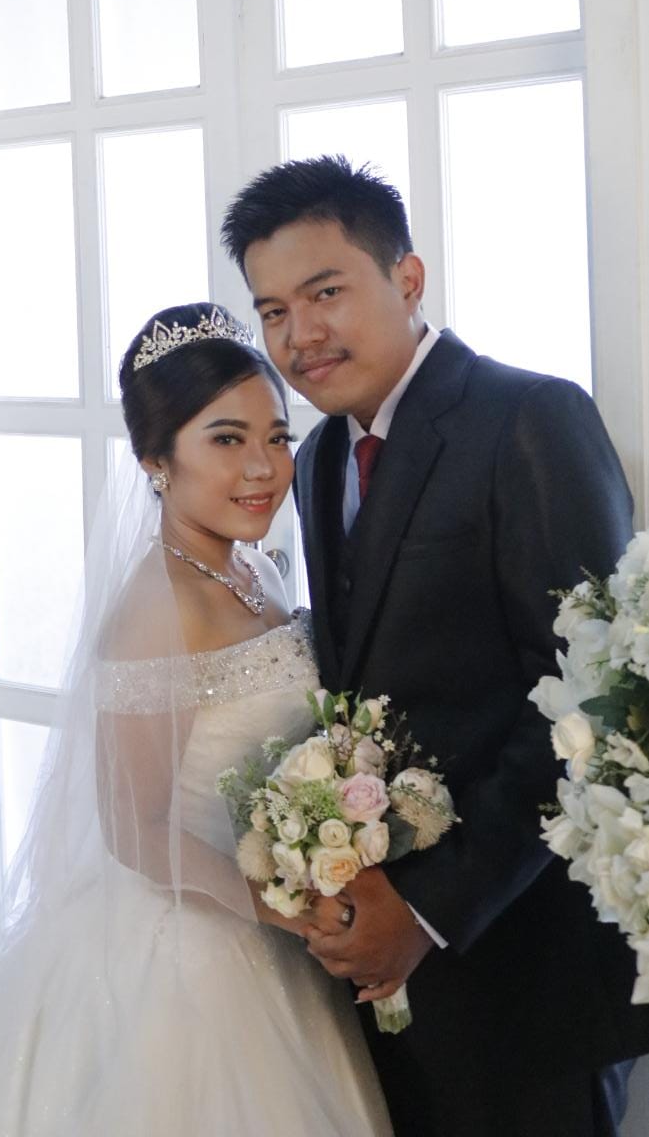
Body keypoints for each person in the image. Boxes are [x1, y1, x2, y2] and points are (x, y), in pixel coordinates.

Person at [0, 302, 391, 1135]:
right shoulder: (155, 607)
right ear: (155, 460)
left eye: (276, 437)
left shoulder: (258, 570)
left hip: (266, 930)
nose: (262, 468)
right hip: (193, 955)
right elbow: (133, 827)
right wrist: (288, 908)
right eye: (225, 439)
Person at [222, 154, 649, 1136]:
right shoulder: (318, 456)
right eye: (273, 310)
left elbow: (598, 703)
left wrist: (424, 913)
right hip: (384, 986)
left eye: (325, 292)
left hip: (526, 977)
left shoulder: (529, 417)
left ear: (407, 278)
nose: (299, 333)